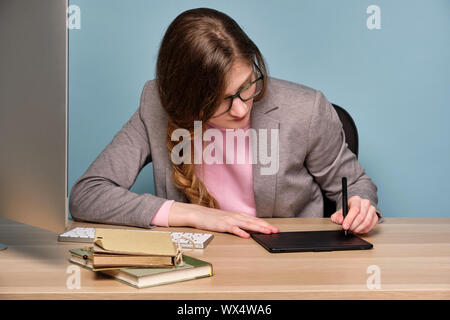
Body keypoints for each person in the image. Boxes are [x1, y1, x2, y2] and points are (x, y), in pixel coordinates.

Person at [69, 8, 383, 239]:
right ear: (184, 99)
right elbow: (87, 194)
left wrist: (360, 205)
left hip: (285, 264)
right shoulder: (156, 104)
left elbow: (355, 185)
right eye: (221, 100)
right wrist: (195, 215)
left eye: (248, 85)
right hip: (195, 263)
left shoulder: (306, 109)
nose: (241, 109)